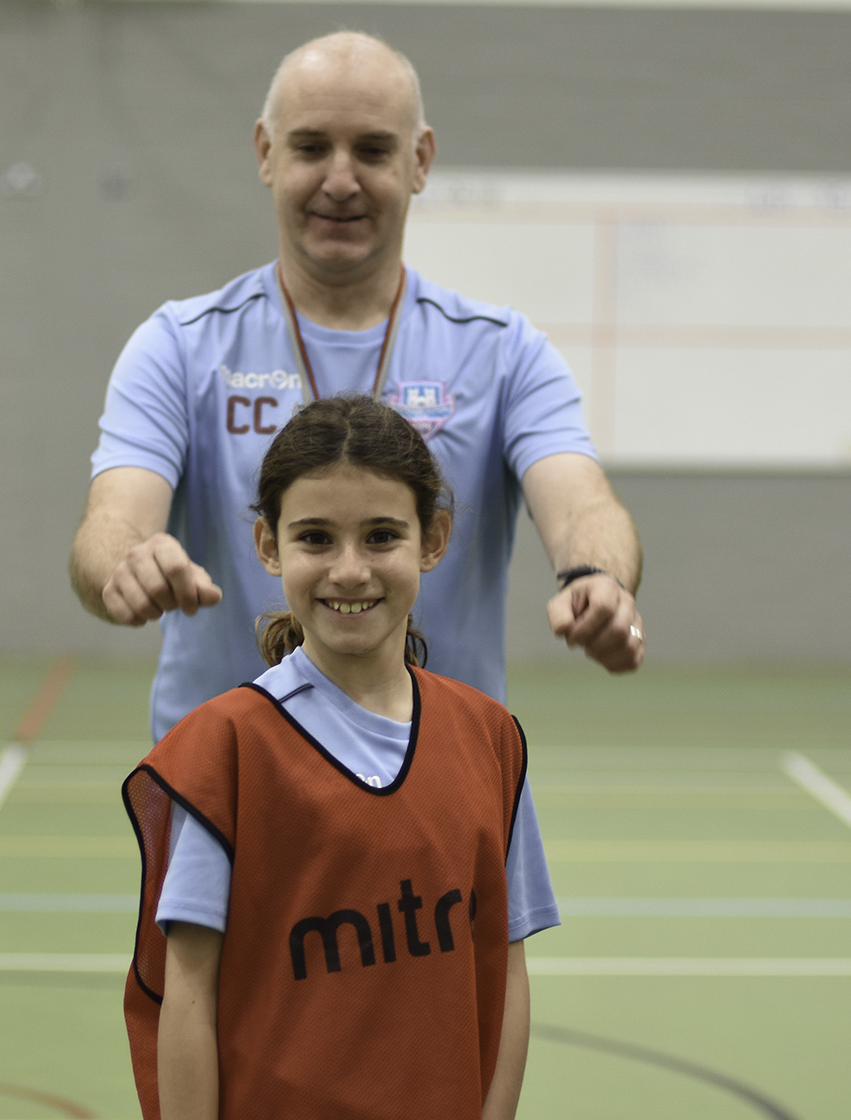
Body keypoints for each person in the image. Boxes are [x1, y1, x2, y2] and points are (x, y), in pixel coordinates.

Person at [70, 30, 645, 744]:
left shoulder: (504, 354)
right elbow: (112, 521)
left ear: (419, 160)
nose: (340, 181)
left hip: (442, 780)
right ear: (266, 153)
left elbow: (584, 504)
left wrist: (594, 576)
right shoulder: (180, 347)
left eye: (372, 151)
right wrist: (127, 562)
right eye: (311, 147)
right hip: (230, 780)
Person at [122, 395, 559, 1120]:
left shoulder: (489, 739)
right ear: (269, 546)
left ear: (433, 539)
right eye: (316, 539)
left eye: (381, 536)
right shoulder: (224, 751)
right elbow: (189, 992)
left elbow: (505, 968)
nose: (349, 571)